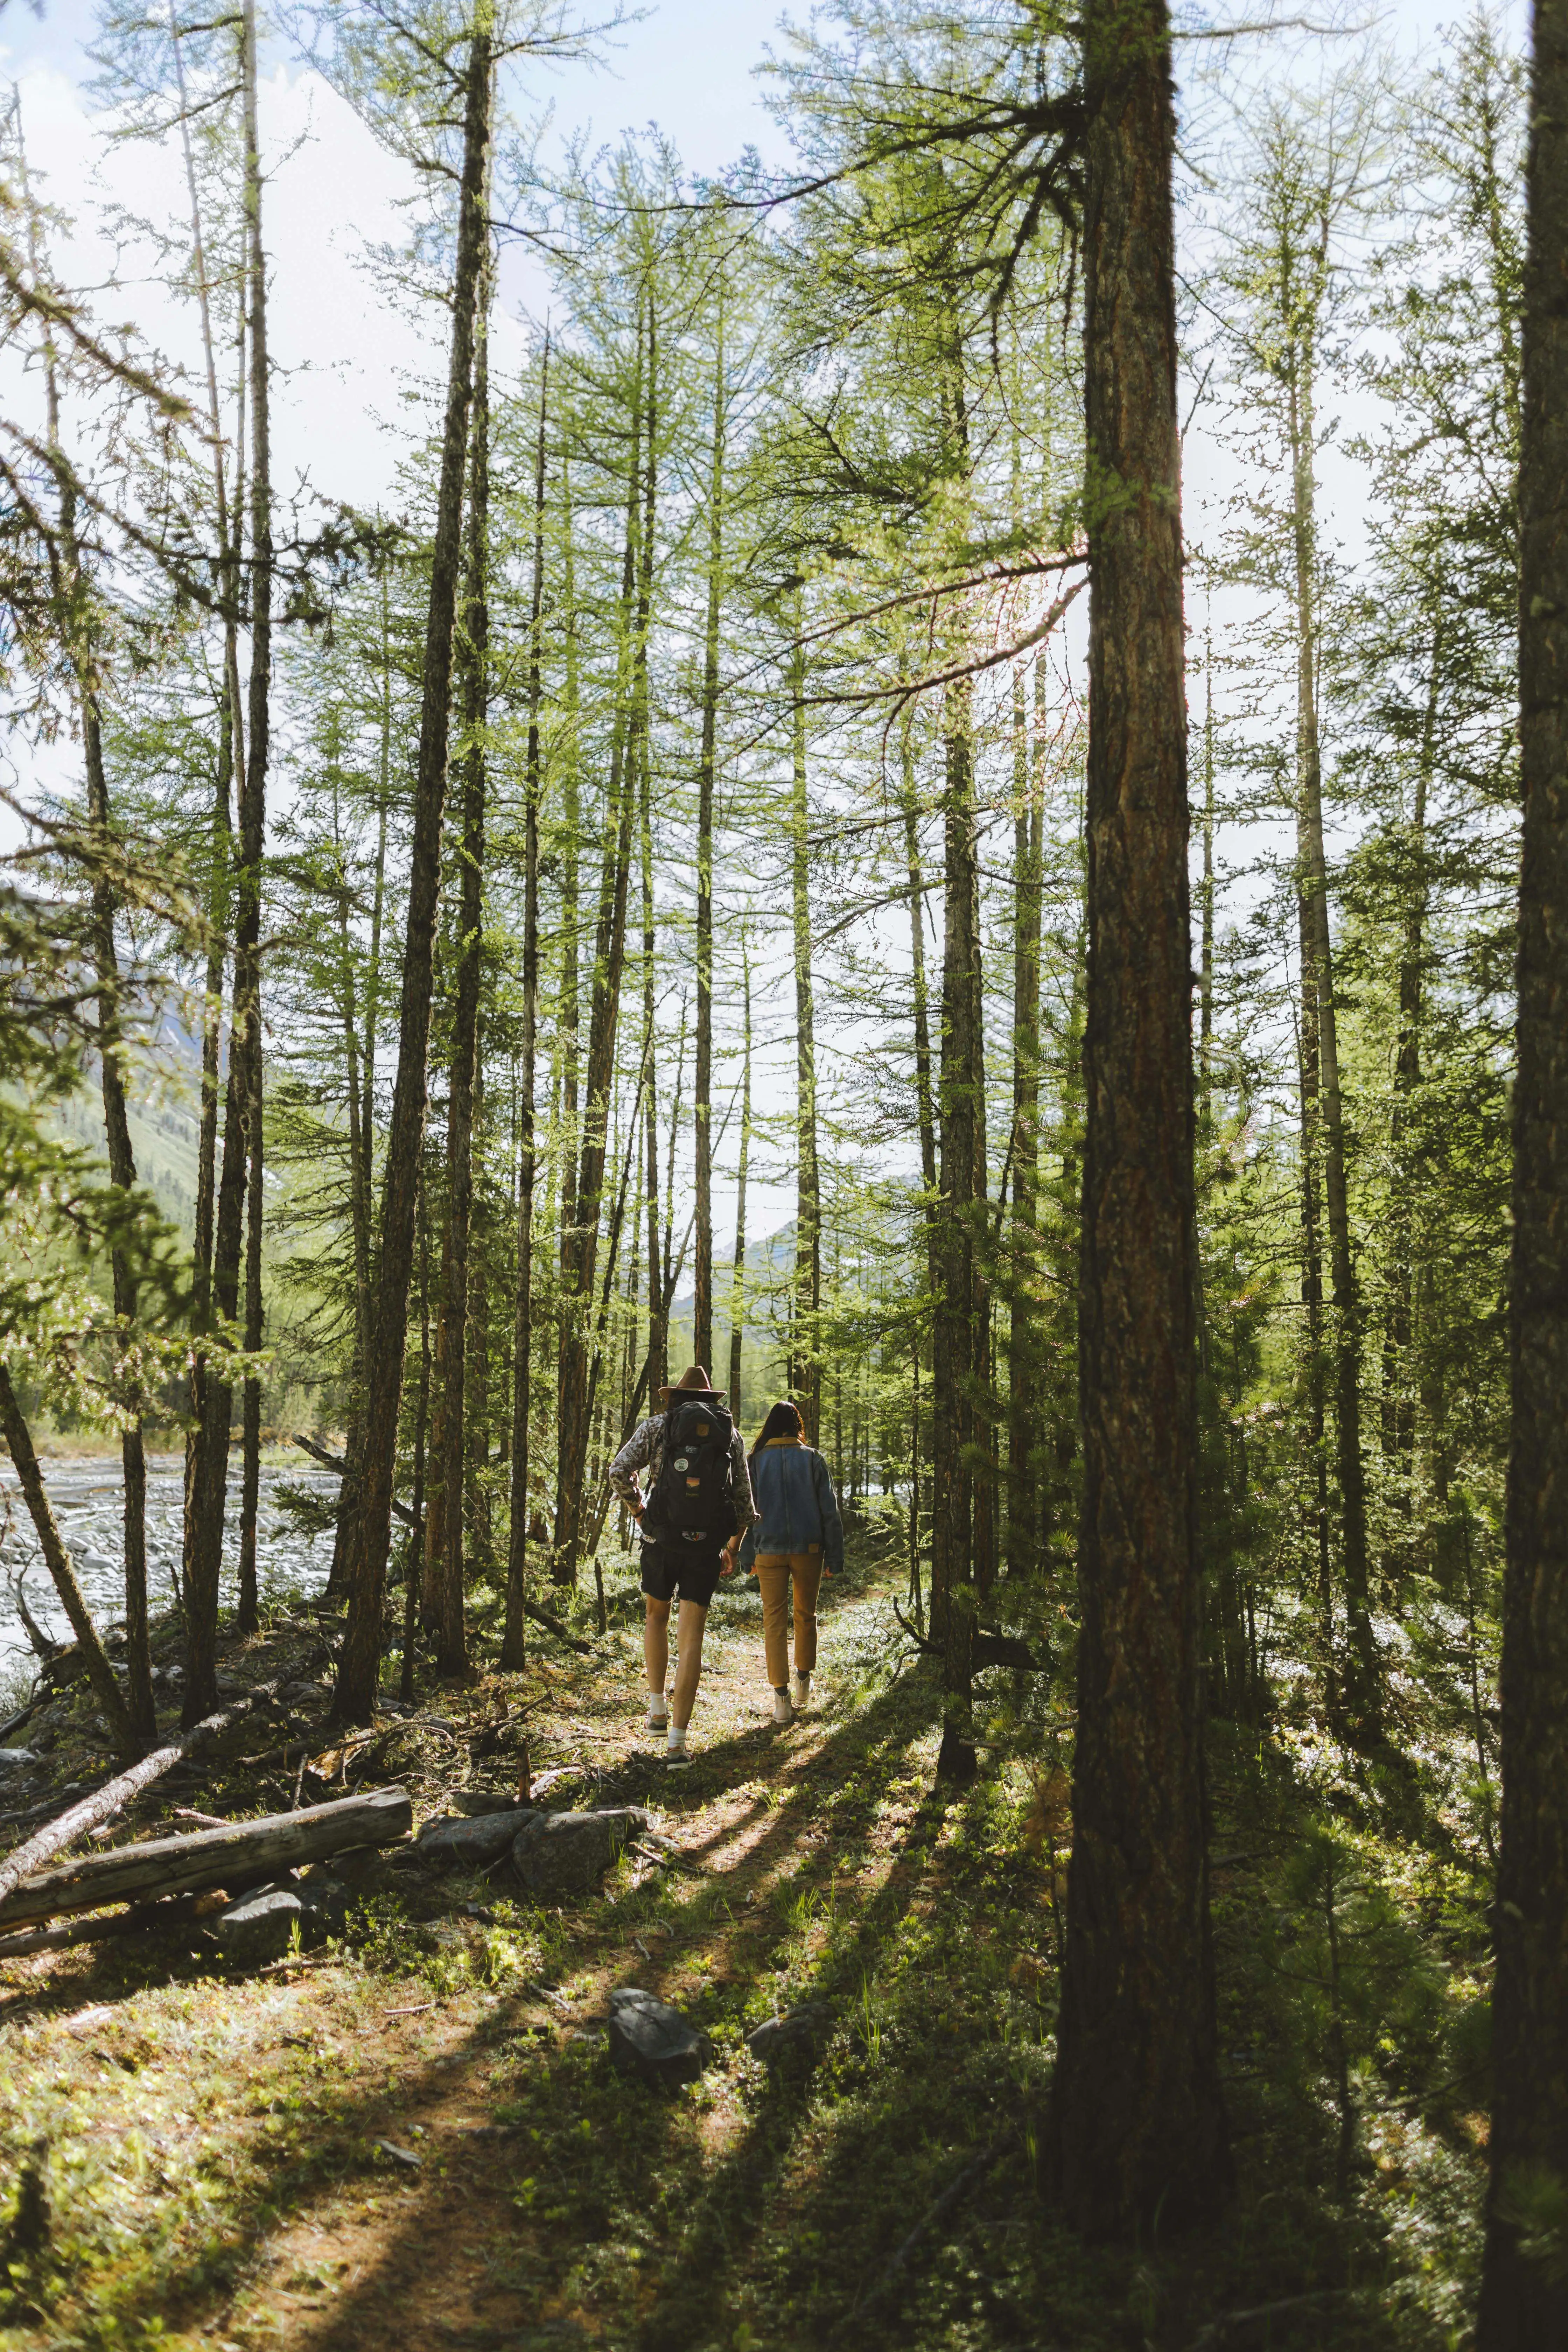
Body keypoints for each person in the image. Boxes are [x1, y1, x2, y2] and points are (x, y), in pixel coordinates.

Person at [608, 1364, 755, 1768]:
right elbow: (744, 1502)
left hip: (661, 1539)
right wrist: (732, 1546)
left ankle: (656, 1712)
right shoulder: (729, 1434)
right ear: (709, 1398)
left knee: (655, 1618)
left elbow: (619, 1471)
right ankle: (677, 1745)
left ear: (674, 1396)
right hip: (705, 1546)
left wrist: (640, 1513)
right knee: (692, 1639)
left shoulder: (657, 1426)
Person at [737, 1400, 844, 1724]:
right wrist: (835, 1556)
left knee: (774, 1620)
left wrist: (745, 1554)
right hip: (809, 1550)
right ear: (798, 1426)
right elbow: (830, 1510)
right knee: (805, 1615)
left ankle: (781, 1700)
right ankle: (803, 1680)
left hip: (768, 1550)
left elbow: (745, 1511)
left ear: (770, 1425)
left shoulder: (755, 1461)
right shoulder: (812, 1458)